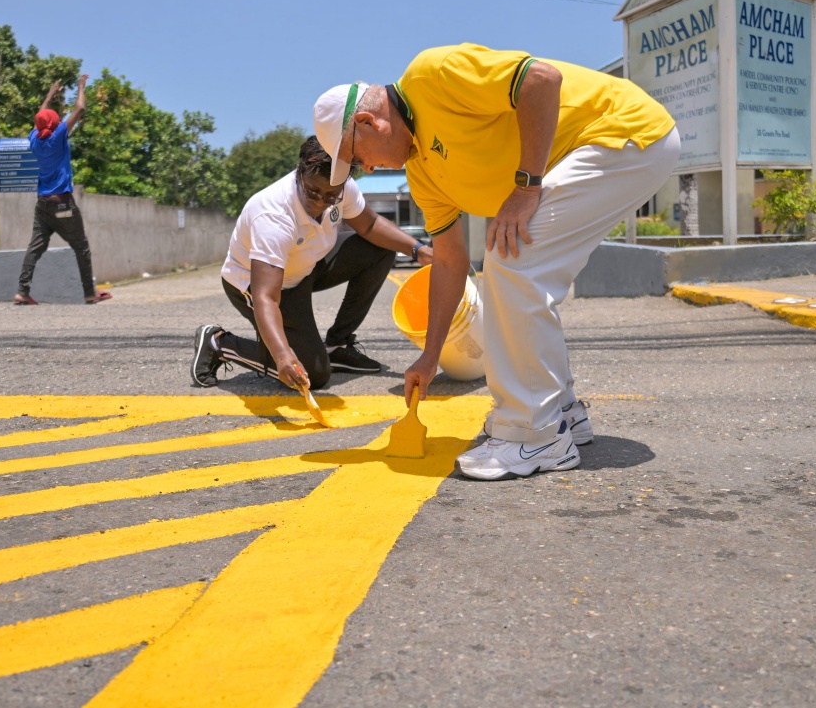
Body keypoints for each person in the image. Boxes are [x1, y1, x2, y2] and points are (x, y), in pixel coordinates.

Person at [313, 44, 679, 480]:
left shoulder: (431, 75)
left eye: (356, 158)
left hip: (623, 132)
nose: (365, 171)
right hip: (611, 150)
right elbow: (449, 261)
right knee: (514, 262)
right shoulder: (423, 173)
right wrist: (431, 357)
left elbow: (541, 80)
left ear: (368, 122)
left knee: (515, 262)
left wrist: (526, 188)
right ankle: (560, 412)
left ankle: (534, 434)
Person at [191, 136, 433, 391]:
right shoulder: (274, 216)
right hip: (261, 285)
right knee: (314, 375)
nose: (319, 202)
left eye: (330, 195)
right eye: (312, 191)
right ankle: (219, 343)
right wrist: (283, 357)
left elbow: (371, 225)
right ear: (299, 172)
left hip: (306, 267)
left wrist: (419, 250)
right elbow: (267, 298)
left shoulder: (342, 186)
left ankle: (337, 345)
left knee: (382, 249)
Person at [14, 74, 111, 305]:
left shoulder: (34, 139)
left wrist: (50, 94)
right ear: (55, 124)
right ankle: (89, 293)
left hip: (43, 203)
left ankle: (22, 291)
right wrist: (80, 86)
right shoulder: (58, 136)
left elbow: (40, 117)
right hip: (62, 203)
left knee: (35, 248)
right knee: (81, 247)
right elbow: (80, 108)